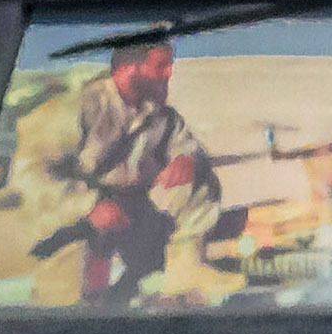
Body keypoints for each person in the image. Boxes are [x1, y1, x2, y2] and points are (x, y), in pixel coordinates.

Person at [38, 35, 207, 301]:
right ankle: (91, 300)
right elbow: (36, 175)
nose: (170, 72)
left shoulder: (159, 113)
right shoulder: (81, 106)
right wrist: (88, 208)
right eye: (161, 65)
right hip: (77, 214)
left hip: (133, 206)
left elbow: (184, 144)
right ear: (129, 67)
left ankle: (179, 286)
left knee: (200, 189)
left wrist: (184, 159)